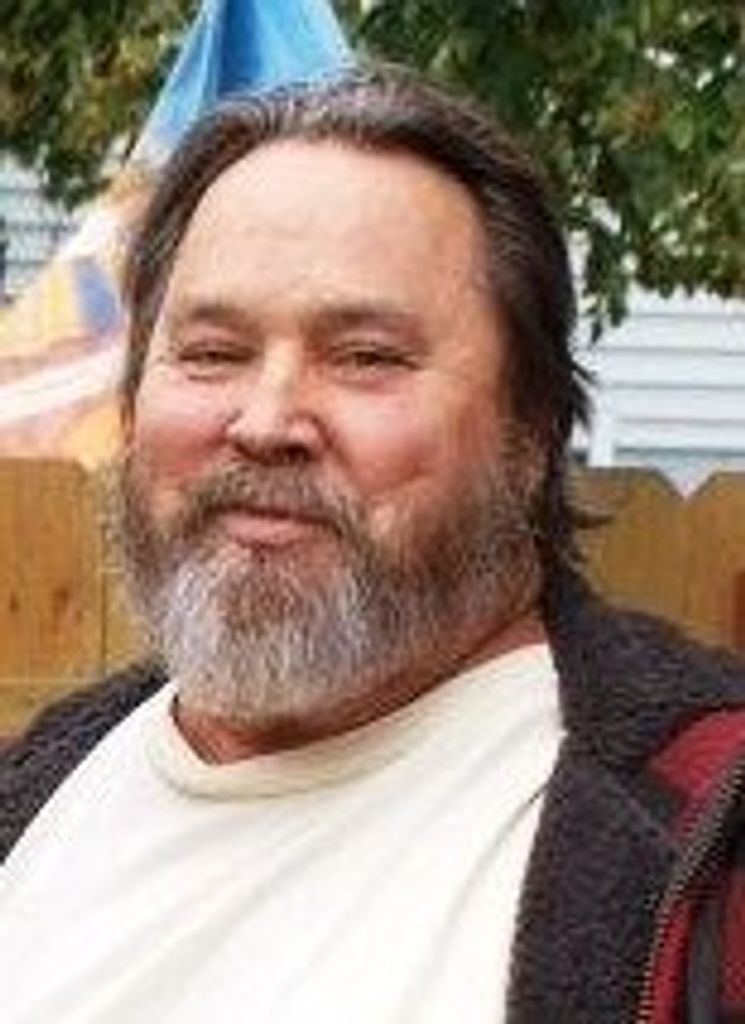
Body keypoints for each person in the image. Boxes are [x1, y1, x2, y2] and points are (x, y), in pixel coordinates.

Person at [2, 65, 745, 1024]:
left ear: (530, 433)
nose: (265, 421)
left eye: (365, 358)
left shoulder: (701, 848)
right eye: (212, 353)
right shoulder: (40, 795)